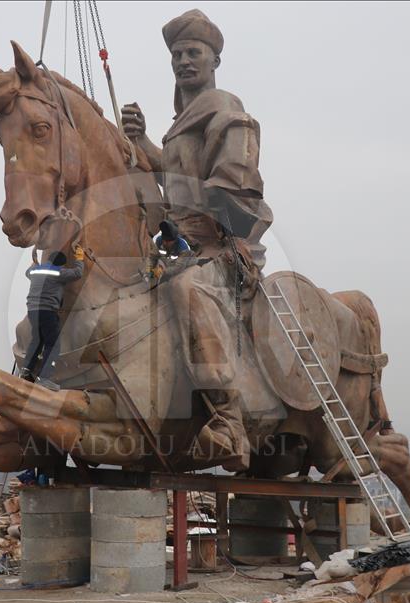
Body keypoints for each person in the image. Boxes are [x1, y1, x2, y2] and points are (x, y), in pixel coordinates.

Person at [119, 10, 274, 471]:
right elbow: (173, 179)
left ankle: (229, 422)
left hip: (220, 250)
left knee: (187, 292)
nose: (184, 61)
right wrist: (143, 142)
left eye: (194, 53)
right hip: (177, 249)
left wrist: (178, 195)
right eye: (177, 54)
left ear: (214, 60)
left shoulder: (230, 117)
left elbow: (231, 197)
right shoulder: (180, 124)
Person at [20, 246, 84, 391]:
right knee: (53, 344)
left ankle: (25, 372)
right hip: (47, 311)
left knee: (37, 340)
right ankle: (44, 378)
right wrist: (80, 258)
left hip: (32, 311)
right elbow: (77, 273)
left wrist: (34, 262)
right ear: (60, 264)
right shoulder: (58, 272)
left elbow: (27, 272)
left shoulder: (35, 271)